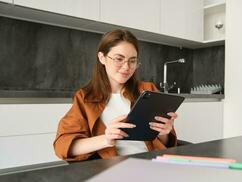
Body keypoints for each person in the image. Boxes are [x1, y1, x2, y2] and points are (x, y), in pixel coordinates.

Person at [53, 29, 178, 161]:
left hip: (153, 163)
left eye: (132, 61)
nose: (126, 67)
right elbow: (63, 145)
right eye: (119, 59)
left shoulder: (148, 90)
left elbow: (165, 143)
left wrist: (165, 132)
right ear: (102, 58)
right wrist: (106, 139)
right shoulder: (85, 97)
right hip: (114, 168)